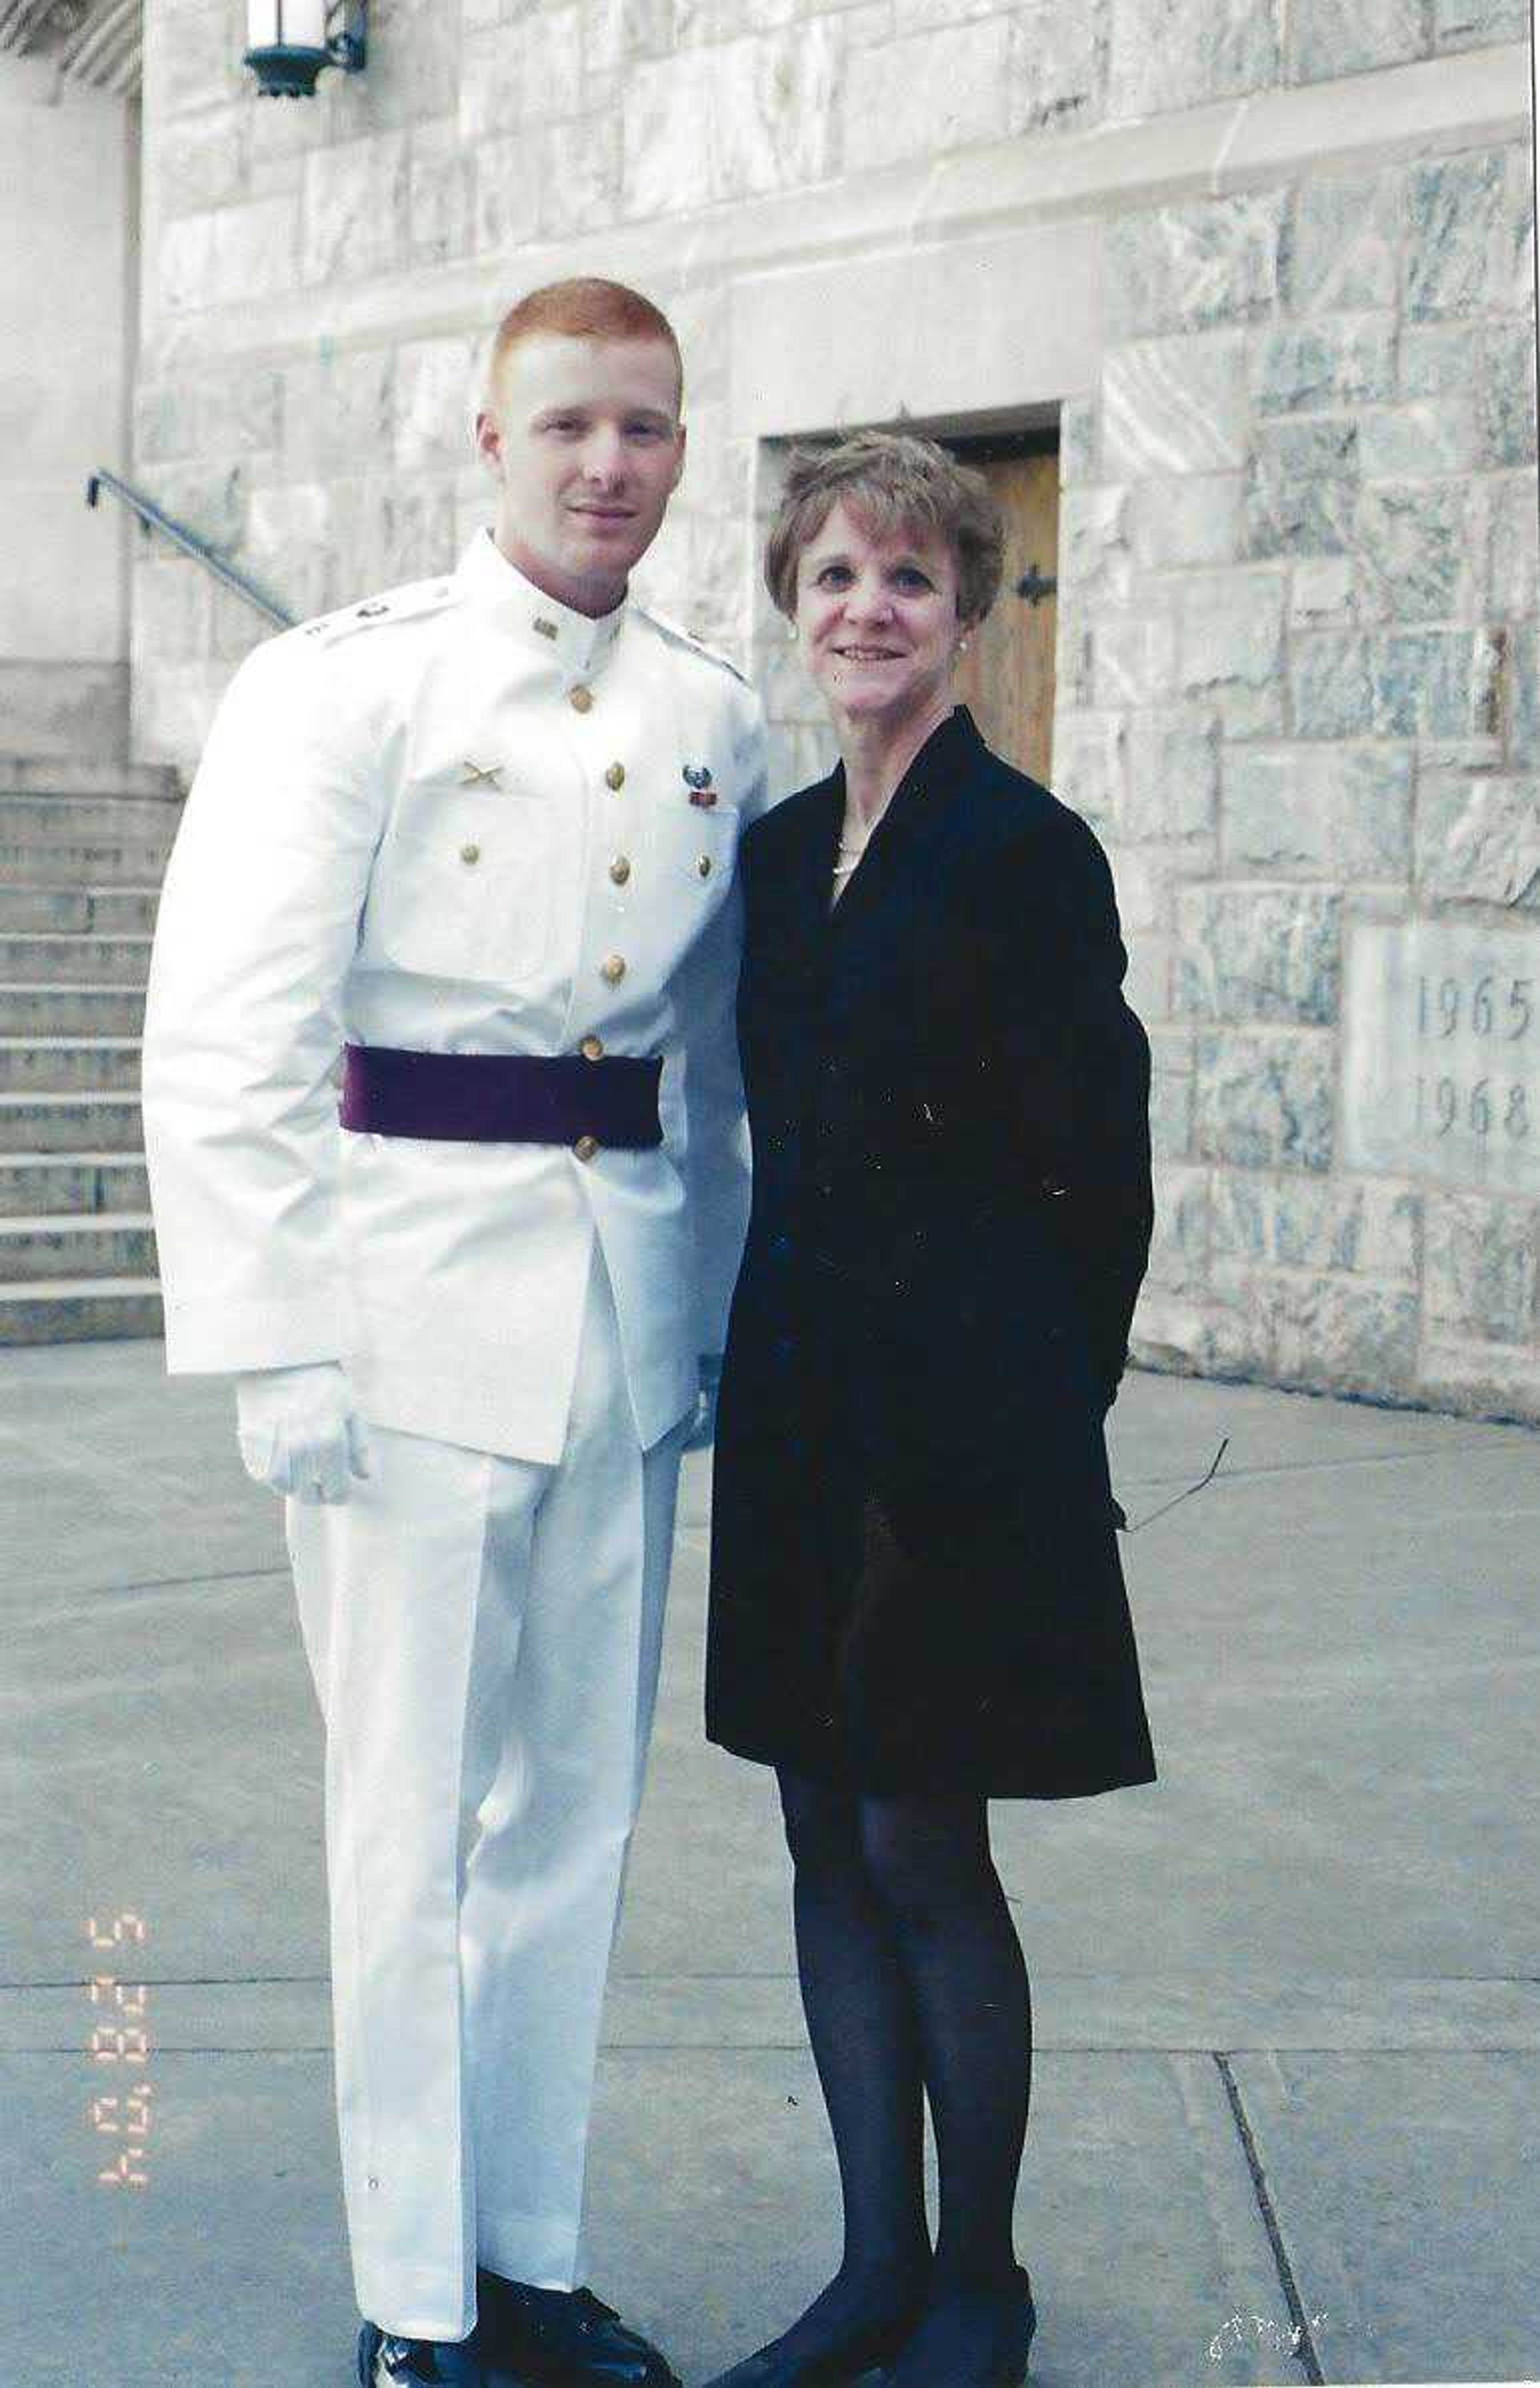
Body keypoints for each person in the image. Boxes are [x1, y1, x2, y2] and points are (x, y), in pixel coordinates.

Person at [141, 278, 766, 2388]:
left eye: (651, 430)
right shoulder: (345, 689)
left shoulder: (710, 713)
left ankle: (531, 2248)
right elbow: (227, 1039)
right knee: (403, 1823)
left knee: (577, 1812)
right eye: (573, 426)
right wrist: (280, 1343)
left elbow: (715, 1062)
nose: (612, 466)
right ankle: (415, 2299)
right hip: (400, 1319)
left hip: (623, 1316)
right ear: (485, 445)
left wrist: (710, 1327)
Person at [701, 432, 1156, 2388]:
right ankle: (869, 2264)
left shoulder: (1029, 851)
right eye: (833, 579)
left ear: (968, 610)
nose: (868, 611)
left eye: (907, 578)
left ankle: (982, 2275)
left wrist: (1043, 1417)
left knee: (921, 1848)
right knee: (819, 1838)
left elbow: (1100, 1181)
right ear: (793, 610)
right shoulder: (778, 849)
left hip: (962, 1429)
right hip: (800, 1403)